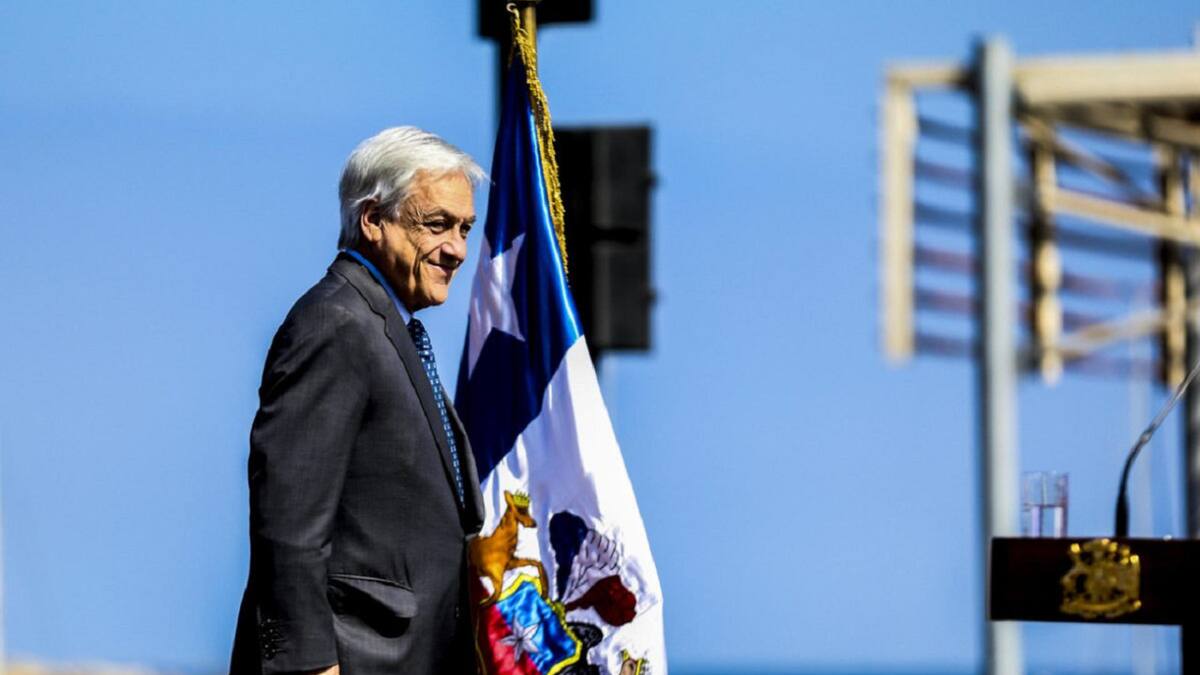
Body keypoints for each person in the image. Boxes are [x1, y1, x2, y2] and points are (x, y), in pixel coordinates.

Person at [230, 127, 487, 674]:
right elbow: (288, 521)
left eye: (465, 228)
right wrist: (309, 665)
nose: (458, 249)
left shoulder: (386, 329)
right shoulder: (336, 324)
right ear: (373, 220)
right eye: (437, 224)